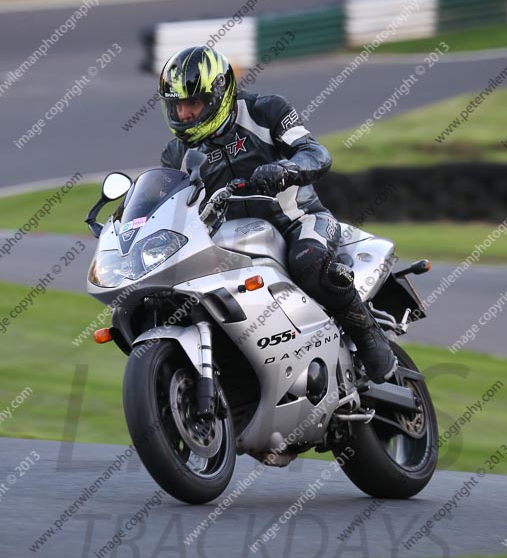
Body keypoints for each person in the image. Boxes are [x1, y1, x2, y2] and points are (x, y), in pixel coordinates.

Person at [159, 45, 397, 384]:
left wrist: (287, 169)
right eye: (177, 106)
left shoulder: (266, 110)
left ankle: (368, 336)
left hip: (299, 221)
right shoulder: (176, 154)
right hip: (230, 244)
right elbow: (167, 204)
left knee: (309, 262)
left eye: (193, 103)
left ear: (218, 96)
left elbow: (316, 152)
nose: (184, 114)